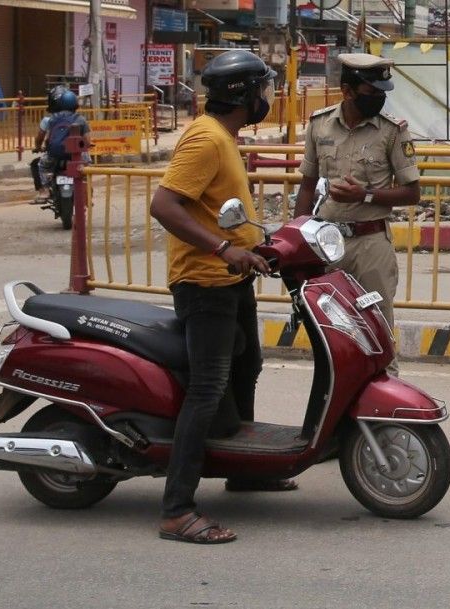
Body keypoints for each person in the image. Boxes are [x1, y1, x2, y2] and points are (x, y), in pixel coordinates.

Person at [150, 50, 295, 545]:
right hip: (204, 282)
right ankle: (176, 509)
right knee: (207, 390)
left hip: (232, 278)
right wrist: (223, 249)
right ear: (243, 95)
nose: (268, 99)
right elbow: (164, 205)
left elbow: (221, 209)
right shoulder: (205, 140)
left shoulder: (225, 137)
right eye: (263, 90)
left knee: (246, 368)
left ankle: (245, 469)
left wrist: (257, 247)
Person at [294, 53, 421, 376]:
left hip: (371, 244)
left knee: (378, 324)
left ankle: (385, 401)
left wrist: (364, 194)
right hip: (328, 243)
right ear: (348, 91)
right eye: (371, 92)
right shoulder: (319, 125)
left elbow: (412, 193)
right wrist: (297, 239)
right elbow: (307, 187)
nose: (379, 98)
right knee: (332, 331)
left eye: (382, 92)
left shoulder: (391, 131)